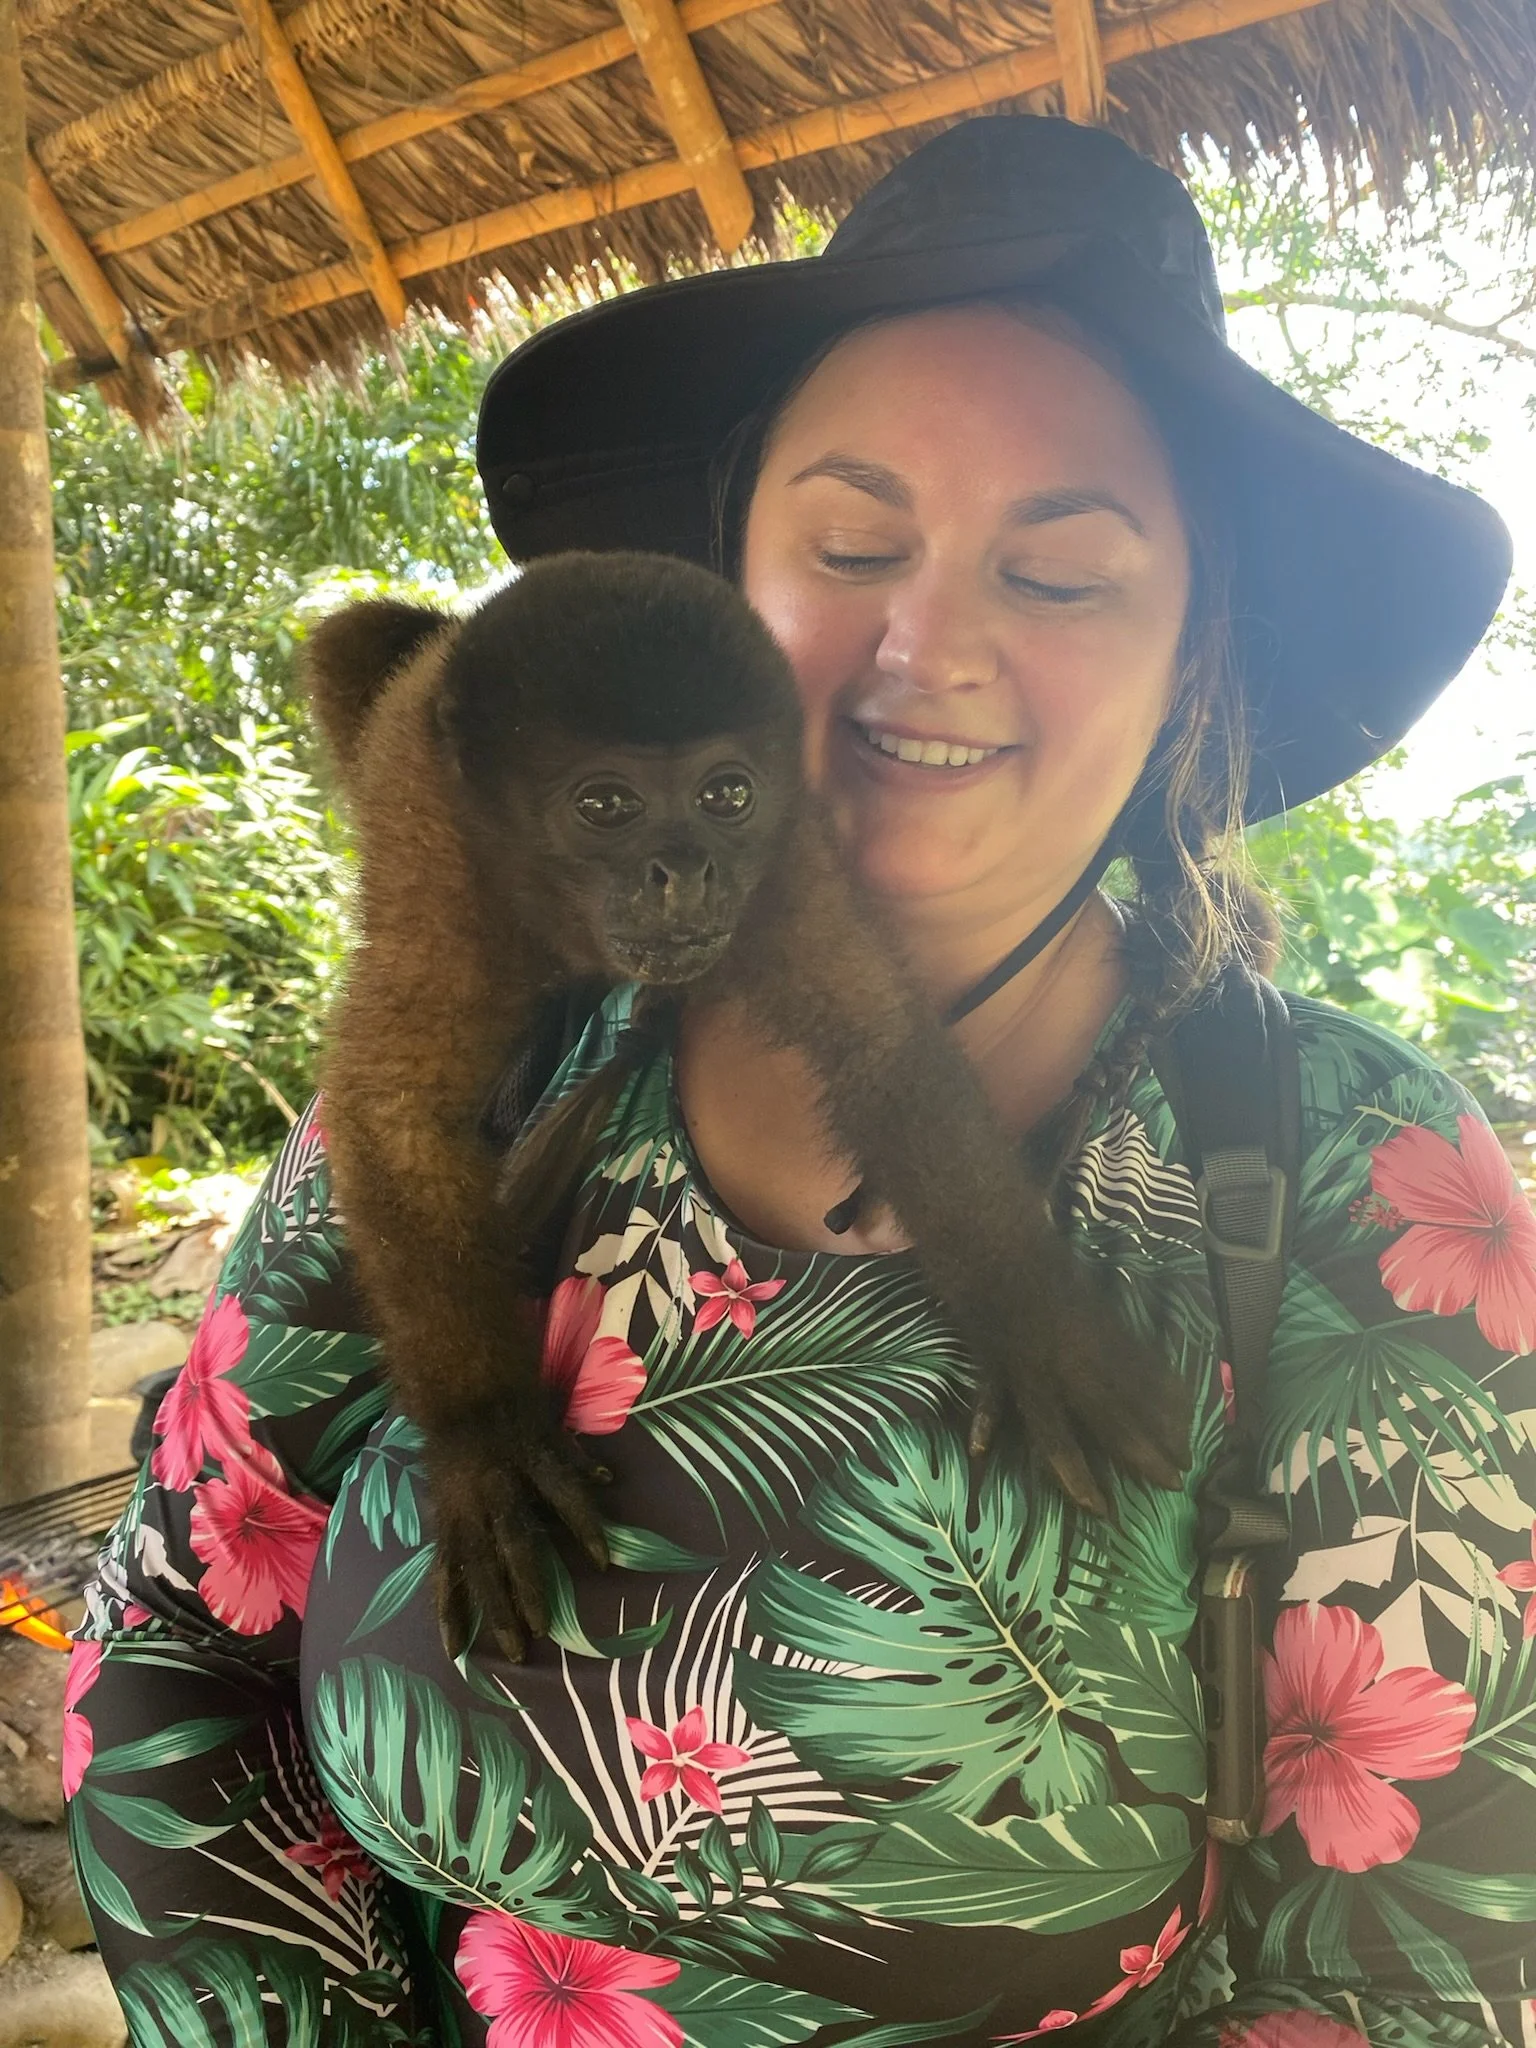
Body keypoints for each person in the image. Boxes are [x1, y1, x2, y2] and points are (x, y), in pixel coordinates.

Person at [65, 116, 1536, 2048]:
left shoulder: (1354, 1179)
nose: (925, 650)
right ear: (727, 591)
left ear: (1194, 663)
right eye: (851, 548)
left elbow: (1419, 1961)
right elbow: (174, 1649)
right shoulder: (522, 1052)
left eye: (1068, 577)